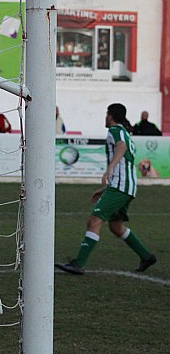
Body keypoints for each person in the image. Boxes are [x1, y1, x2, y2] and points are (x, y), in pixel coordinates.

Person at [56, 103, 156, 276]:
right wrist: (105, 188)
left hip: (121, 186)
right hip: (126, 186)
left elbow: (121, 148)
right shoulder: (125, 132)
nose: (105, 117)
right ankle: (146, 256)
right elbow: (125, 160)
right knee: (116, 226)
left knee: (94, 221)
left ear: (111, 116)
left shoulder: (115, 131)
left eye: (106, 114)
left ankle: (78, 264)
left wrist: (109, 168)